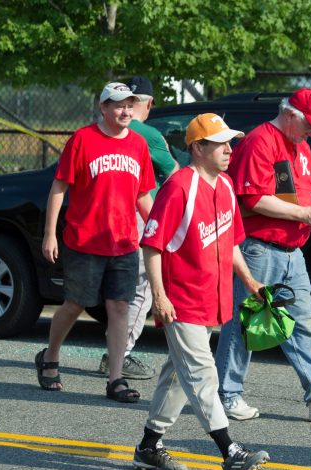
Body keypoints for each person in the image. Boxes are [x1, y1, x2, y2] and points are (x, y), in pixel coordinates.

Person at [133, 113, 270, 470]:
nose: (229, 149)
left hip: (213, 300)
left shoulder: (224, 185)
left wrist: (251, 281)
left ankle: (149, 445)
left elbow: (231, 242)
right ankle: (230, 452)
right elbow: (153, 245)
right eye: (220, 142)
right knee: (203, 373)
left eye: (230, 142)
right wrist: (159, 295)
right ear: (198, 148)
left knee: (179, 375)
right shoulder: (179, 186)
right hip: (181, 299)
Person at [214, 88, 311, 421]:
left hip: (290, 250)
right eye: (309, 124)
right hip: (258, 248)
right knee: (245, 323)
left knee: (302, 323)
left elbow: (295, 195)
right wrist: (305, 215)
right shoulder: (259, 141)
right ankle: (227, 395)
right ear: (290, 114)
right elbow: (253, 200)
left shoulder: (300, 146)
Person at [36, 82, 155, 402]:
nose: (125, 111)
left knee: (120, 307)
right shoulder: (83, 139)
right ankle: (50, 356)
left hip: (125, 241)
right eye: (118, 105)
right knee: (75, 305)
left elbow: (143, 194)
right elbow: (59, 187)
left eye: (130, 105)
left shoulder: (138, 145)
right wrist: (50, 233)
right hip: (85, 240)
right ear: (103, 108)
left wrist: (159, 228)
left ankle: (115, 379)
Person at [98, 75, 179, 380]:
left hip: (105, 218)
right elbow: (176, 176)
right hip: (140, 217)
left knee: (112, 291)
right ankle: (120, 354)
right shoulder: (149, 134)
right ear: (150, 103)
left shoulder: (105, 128)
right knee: (141, 289)